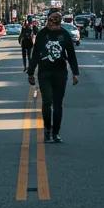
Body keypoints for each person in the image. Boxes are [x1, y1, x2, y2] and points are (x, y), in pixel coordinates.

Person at [27, 9, 80, 143]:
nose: (51, 26)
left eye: (54, 23)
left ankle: (56, 132)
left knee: (58, 104)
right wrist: (31, 72)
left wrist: (75, 73)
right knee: (47, 101)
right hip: (44, 72)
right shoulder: (42, 34)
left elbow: (71, 55)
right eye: (50, 22)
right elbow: (35, 54)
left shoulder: (65, 35)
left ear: (58, 23)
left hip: (60, 72)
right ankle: (47, 129)